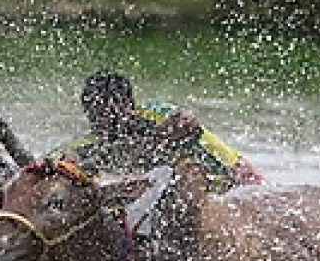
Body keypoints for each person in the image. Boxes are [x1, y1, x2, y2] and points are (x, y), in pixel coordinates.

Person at [48, 71, 262, 190]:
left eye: (106, 112)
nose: (100, 122)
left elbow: (189, 123)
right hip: (195, 196)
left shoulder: (154, 114)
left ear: (127, 106)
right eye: (93, 114)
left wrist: (147, 144)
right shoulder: (95, 143)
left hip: (238, 179)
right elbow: (57, 158)